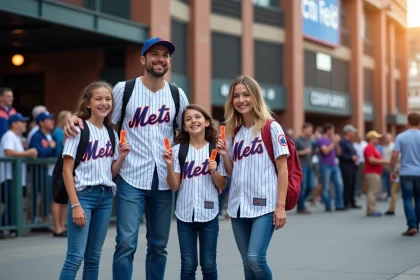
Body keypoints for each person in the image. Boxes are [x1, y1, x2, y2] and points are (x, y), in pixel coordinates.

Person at [63, 37, 189, 280]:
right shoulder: (124, 89)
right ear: (143, 59)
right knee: (125, 244)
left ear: (170, 61)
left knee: (159, 245)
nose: (160, 58)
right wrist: (75, 118)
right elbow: (104, 118)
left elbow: (187, 131)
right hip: (131, 176)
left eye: (165, 54)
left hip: (164, 179)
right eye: (154, 54)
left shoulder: (177, 95)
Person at [216, 76, 289, 280]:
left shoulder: (271, 127)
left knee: (255, 257)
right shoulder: (234, 133)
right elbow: (233, 172)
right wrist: (224, 156)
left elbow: (283, 169)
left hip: (265, 205)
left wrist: (280, 206)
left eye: (246, 95)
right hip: (239, 206)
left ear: (255, 97)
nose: (241, 100)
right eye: (236, 96)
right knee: (247, 264)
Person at [59, 81, 131, 279]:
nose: (104, 103)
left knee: (94, 258)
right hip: (83, 196)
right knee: (75, 257)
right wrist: (75, 205)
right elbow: (67, 171)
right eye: (98, 99)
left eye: (108, 99)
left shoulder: (111, 134)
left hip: (105, 197)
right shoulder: (78, 130)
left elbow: (112, 172)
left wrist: (122, 156)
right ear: (88, 103)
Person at [163, 104, 227, 280]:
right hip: (185, 215)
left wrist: (214, 171)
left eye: (198, 117)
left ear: (206, 121)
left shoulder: (216, 150)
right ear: (184, 126)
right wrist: (169, 166)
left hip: (209, 214)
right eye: (188, 119)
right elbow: (174, 186)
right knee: (188, 264)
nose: (193, 121)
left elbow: (222, 184)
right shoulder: (178, 151)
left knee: (208, 264)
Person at [0, 113, 37, 239]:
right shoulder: (9, 135)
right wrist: (28, 152)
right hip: (9, 176)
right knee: (11, 203)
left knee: (15, 204)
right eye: (22, 121)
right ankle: (6, 228)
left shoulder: (17, 136)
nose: (25, 124)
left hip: (16, 177)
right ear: (14, 124)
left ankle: (12, 229)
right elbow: (9, 152)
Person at [390, 113, 420, 236]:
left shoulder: (401, 137)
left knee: (407, 198)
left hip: (406, 172)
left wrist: (393, 169)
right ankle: (416, 224)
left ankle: (411, 225)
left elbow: (395, 155)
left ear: (408, 122)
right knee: (419, 199)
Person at [318, 123, 345, 212]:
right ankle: (328, 205)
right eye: (332, 130)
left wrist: (336, 144)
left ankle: (339, 205)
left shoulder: (332, 141)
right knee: (326, 187)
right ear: (328, 130)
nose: (333, 132)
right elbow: (325, 151)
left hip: (334, 165)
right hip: (325, 165)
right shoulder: (322, 140)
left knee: (339, 184)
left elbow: (339, 153)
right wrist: (333, 142)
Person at [364, 131, 388, 217]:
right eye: (376, 138)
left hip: (375, 172)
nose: (378, 139)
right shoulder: (369, 148)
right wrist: (385, 161)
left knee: (373, 191)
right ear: (371, 138)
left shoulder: (373, 147)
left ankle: (371, 209)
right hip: (372, 172)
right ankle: (371, 210)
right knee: (372, 191)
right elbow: (372, 160)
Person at [338, 124, 361, 209]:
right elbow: (340, 155)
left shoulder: (349, 142)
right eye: (352, 132)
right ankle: (346, 202)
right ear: (348, 132)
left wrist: (355, 157)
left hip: (352, 166)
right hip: (346, 167)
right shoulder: (342, 142)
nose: (353, 134)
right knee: (347, 185)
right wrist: (351, 157)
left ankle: (352, 202)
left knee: (352, 185)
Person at [294, 122, 314, 214]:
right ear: (304, 129)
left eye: (311, 130)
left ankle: (300, 202)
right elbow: (292, 153)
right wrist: (303, 152)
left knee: (310, 186)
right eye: (309, 130)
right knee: (303, 187)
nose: (310, 132)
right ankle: (301, 207)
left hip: (310, 165)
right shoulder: (297, 140)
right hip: (301, 166)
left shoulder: (310, 140)